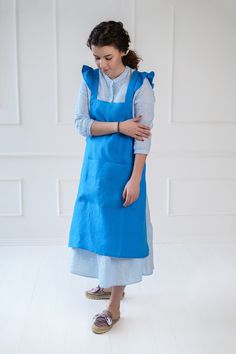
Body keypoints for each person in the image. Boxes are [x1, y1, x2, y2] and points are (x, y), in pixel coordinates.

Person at [68, 20, 156, 334]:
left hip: (124, 173)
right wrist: (120, 126)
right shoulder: (90, 81)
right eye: (97, 58)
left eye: (107, 57)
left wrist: (135, 180)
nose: (102, 64)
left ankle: (114, 308)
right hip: (94, 171)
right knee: (98, 230)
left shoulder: (140, 85)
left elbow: (143, 139)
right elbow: (81, 124)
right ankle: (108, 284)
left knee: (120, 236)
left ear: (122, 51)